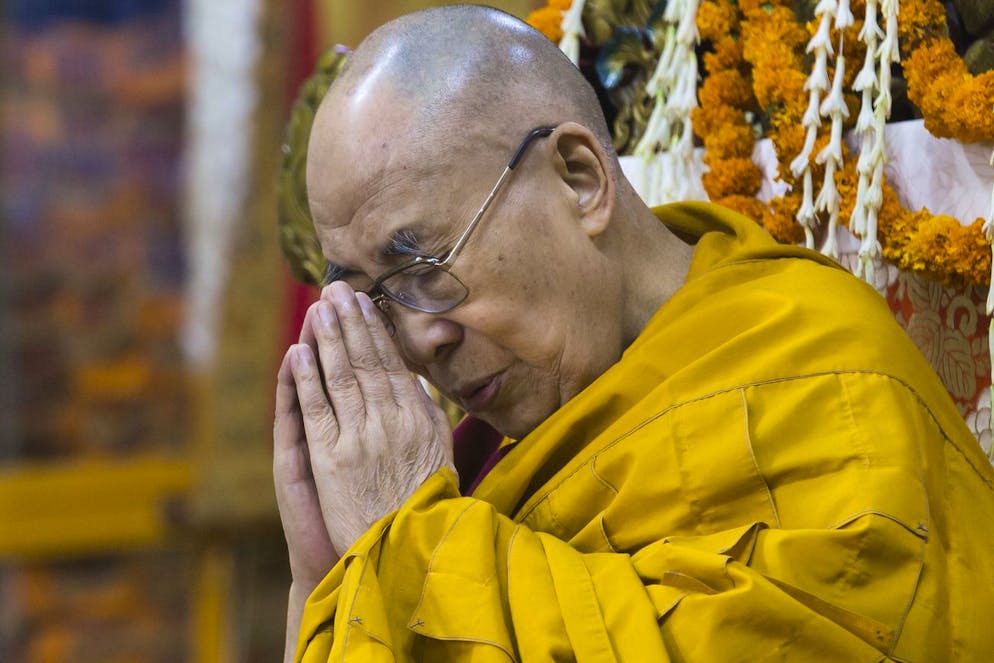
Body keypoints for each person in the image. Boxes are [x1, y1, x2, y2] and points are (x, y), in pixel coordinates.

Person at [273, 5, 994, 661]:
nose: (424, 342)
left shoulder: (823, 384)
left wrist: (412, 546)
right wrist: (325, 575)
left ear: (581, 178)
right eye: (378, 300)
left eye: (426, 265)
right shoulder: (476, 463)